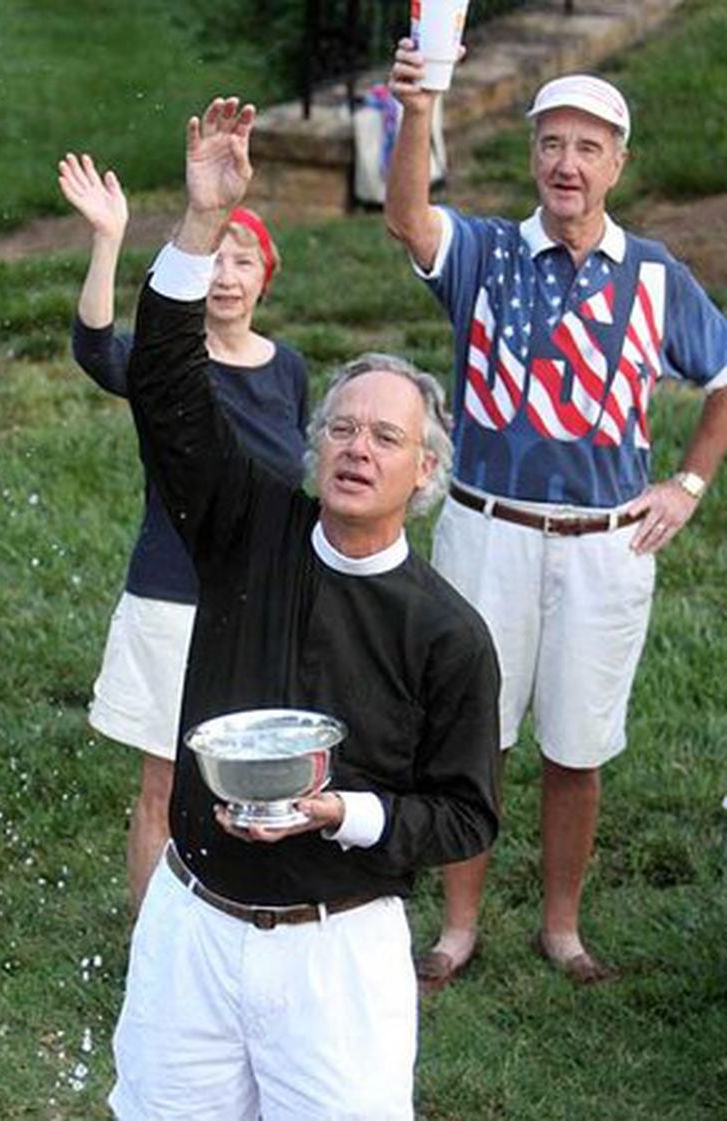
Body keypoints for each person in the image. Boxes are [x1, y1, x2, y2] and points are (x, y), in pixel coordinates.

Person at [109, 95, 501, 1121]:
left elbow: (463, 809)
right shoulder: (246, 527)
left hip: (338, 946)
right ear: (314, 444)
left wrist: (345, 812)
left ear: (423, 472)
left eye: (384, 437)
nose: (356, 447)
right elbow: (161, 384)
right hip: (192, 924)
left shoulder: (446, 630)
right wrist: (200, 223)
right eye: (340, 428)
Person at [385, 52, 727, 989]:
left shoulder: (655, 278)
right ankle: (457, 927)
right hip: (486, 528)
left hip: (604, 544)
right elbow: (408, 218)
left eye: (587, 147)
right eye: (550, 145)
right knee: (474, 735)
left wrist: (687, 486)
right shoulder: (487, 253)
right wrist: (419, 109)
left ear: (617, 163)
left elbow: (725, 380)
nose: (567, 163)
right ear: (532, 158)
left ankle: (562, 929)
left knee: (576, 744)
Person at [58, 152, 309, 910]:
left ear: (267, 275)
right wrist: (109, 239)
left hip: (256, 601)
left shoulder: (289, 369)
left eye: (245, 259)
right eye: (216, 258)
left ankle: (231, 913)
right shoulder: (169, 366)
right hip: (171, 599)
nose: (228, 274)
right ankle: (151, 944)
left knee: (247, 774)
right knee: (166, 779)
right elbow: (96, 348)